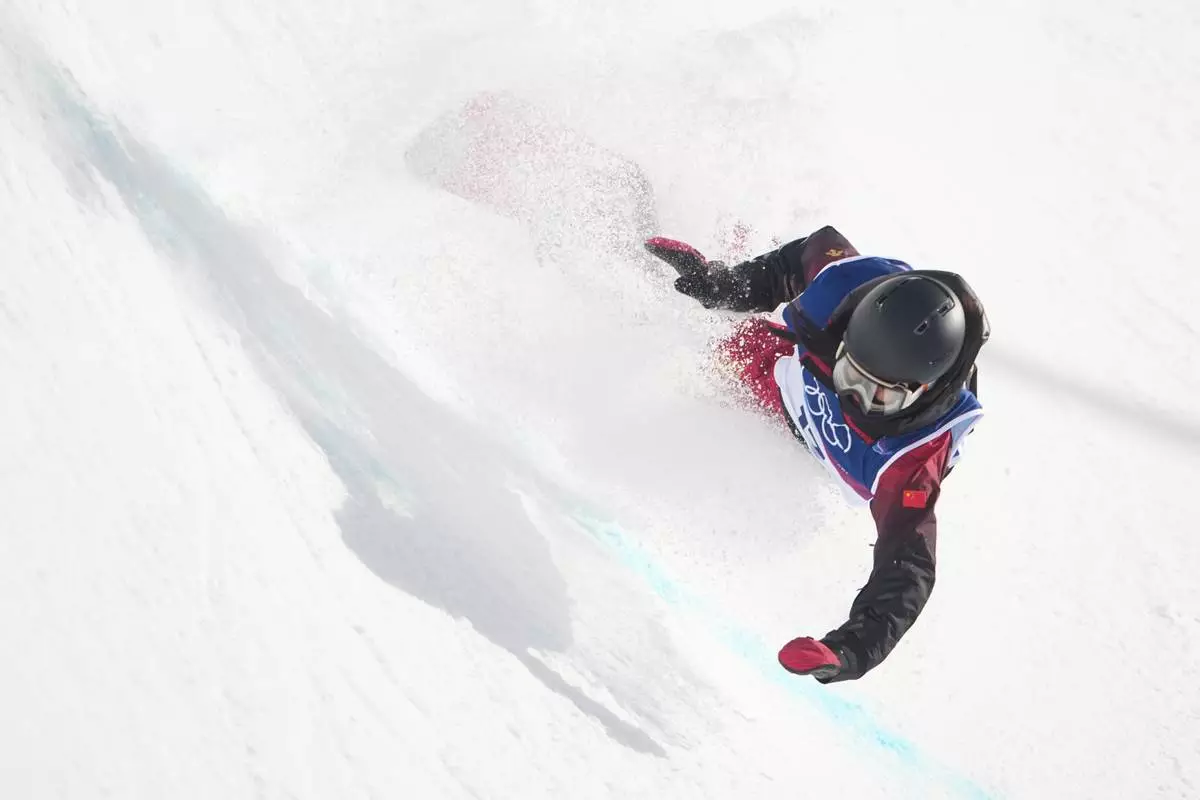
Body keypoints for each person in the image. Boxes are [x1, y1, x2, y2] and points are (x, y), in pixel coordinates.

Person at [645, 226, 989, 683]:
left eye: (877, 396)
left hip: (805, 445)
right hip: (775, 369)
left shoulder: (912, 459)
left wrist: (847, 650)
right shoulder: (844, 285)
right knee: (699, 352)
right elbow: (802, 257)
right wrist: (721, 284)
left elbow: (907, 570)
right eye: (850, 371)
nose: (851, 398)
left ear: (921, 392)